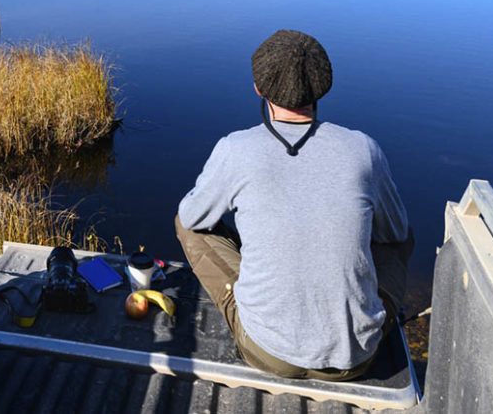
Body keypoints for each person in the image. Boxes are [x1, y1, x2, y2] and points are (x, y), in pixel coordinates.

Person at [176, 29, 413, 380]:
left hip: (269, 353)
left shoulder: (236, 149)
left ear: (259, 88)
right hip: (356, 357)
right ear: (322, 86)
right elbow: (395, 233)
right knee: (402, 234)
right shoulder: (363, 149)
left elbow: (191, 216)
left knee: (187, 225)